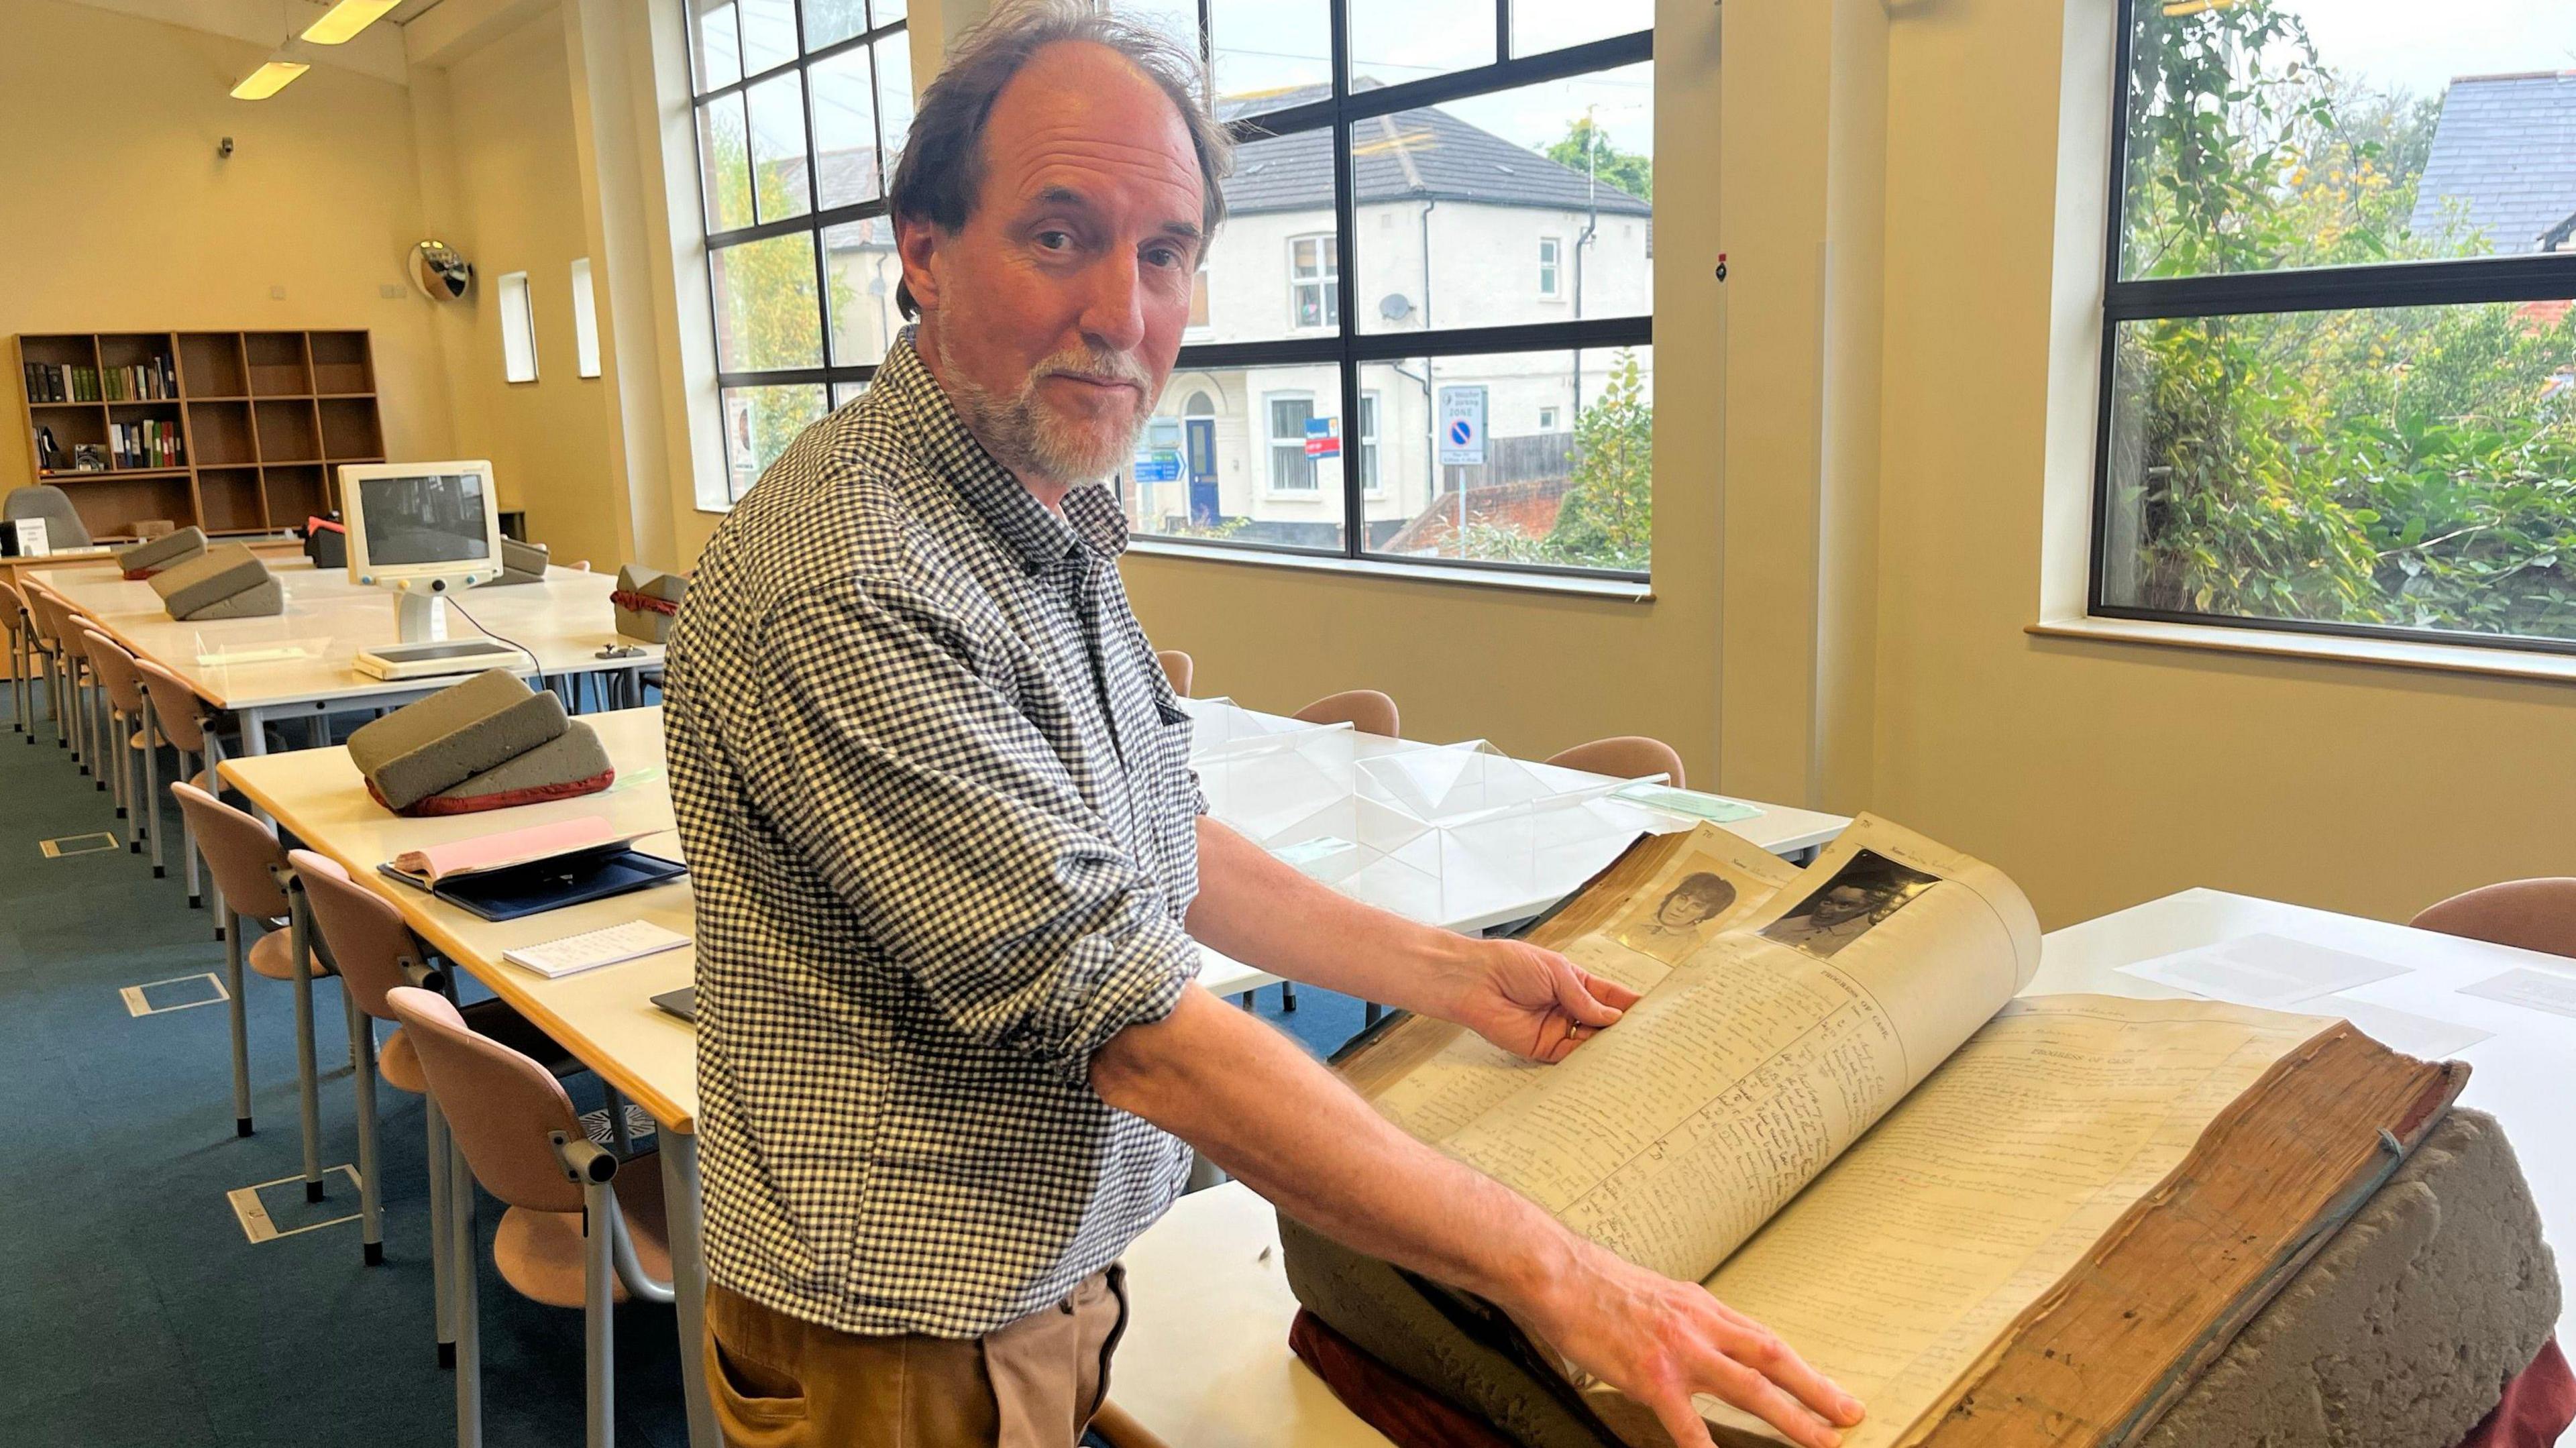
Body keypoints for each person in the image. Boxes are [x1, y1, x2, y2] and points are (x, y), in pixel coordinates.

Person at [661, 5, 1866, 1446]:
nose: (1124, 309)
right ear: (922, 249)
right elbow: (1134, 1022)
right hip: (910, 1341)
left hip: (1042, 1279)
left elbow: (1157, 839)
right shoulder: (849, 577)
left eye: (1164, 251)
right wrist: (1563, 1274)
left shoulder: (1034, 504)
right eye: (1060, 235)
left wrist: (1451, 971)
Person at [1620, 871, 1739, 962]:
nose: (1682, 908)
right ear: (1672, 896)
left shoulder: (1692, 948)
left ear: (1705, 915)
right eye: (1682, 898)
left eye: (1697, 906)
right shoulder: (1632, 916)